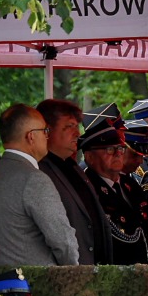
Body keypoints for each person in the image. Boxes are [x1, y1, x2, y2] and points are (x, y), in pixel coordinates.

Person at [0, 105, 80, 267]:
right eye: (45, 131)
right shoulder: (34, 179)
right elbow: (63, 241)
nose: (47, 136)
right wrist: (73, 271)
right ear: (31, 137)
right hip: (37, 279)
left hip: (1, 278)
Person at [36, 99, 110, 265]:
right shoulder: (40, 172)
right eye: (69, 126)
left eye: (77, 126)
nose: (77, 133)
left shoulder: (73, 167)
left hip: (94, 269)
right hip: (68, 271)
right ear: (47, 130)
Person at [80, 115, 148, 265]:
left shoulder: (131, 185)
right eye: (110, 149)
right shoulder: (86, 190)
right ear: (90, 157)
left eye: (120, 148)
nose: (118, 153)